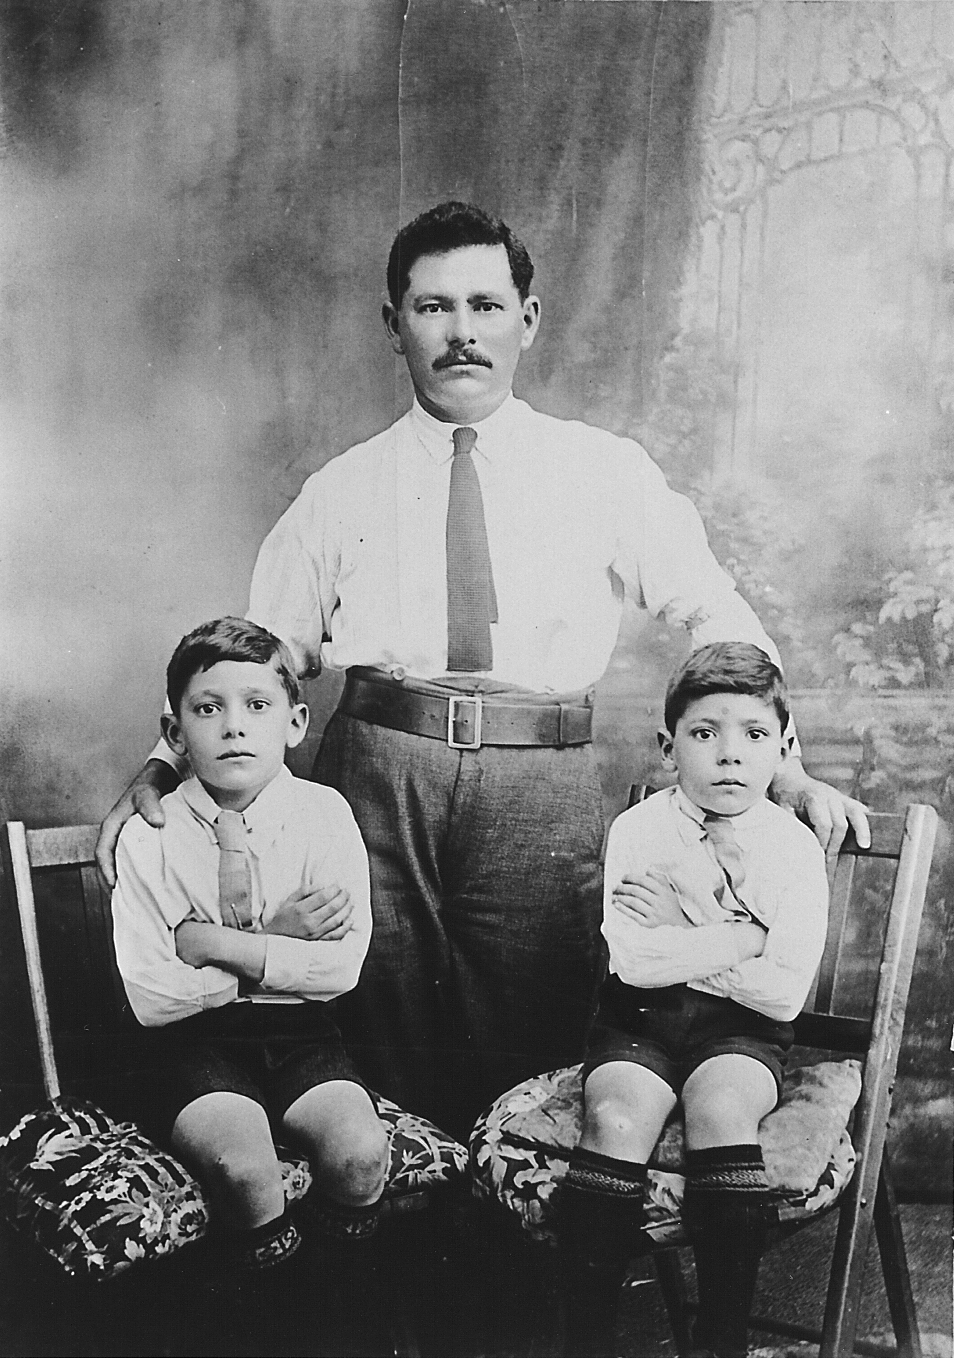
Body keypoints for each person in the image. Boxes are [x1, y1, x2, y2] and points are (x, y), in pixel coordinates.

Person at [97, 201, 866, 1139]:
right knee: (376, 1026)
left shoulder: (604, 470)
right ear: (395, 326)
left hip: (540, 782)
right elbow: (255, 658)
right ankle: (398, 1224)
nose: (461, 332)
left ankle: (519, 1229)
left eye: (485, 306)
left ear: (527, 320)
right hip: (380, 776)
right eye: (432, 307)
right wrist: (166, 762)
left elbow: (716, 613)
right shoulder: (341, 490)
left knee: (542, 1025)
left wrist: (786, 763)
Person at [559, 642, 829, 1358]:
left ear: (785, 747)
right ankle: (587, 1342)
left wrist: (684, 930)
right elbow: (635, 963)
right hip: (638, 1023)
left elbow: (781, 995)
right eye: (705, 733)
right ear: (668, 747)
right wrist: (744, 938)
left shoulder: (793, 849)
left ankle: (722, 1339)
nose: (730, 754)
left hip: (742, 1032)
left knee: (723, 1108)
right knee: (616, 1116)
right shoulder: (638, 831)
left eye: (754, 734)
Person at [111, 617, 389, 1288]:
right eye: (208, 709)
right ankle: (273, 1314)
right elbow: (153, 998)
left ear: (295, 723)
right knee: (244, 1169)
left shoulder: (325, 815)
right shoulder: (149, 836)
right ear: (176, 733)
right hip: (193, 1044)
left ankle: (339, 1309)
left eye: (257, 706)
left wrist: (215, 944)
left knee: (359, 1154)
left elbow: (341, 969)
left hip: (301, 1033)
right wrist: (279, 947)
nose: (234, 727)